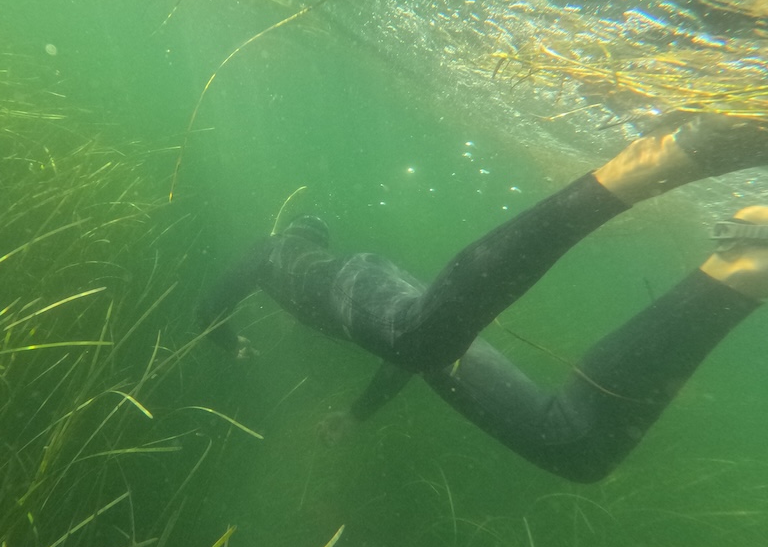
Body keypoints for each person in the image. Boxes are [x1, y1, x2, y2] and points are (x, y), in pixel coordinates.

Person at [197, 113, 768, 483]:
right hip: (401, 304)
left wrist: (227, 339)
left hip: (383, 300)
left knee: (418, 337)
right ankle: (738, 270)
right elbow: (405, 351)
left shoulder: (272, 251)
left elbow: (209, 308)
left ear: (297, 235)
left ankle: (635, 172)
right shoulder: (342, 272)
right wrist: (356, 412)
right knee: (574, 444)